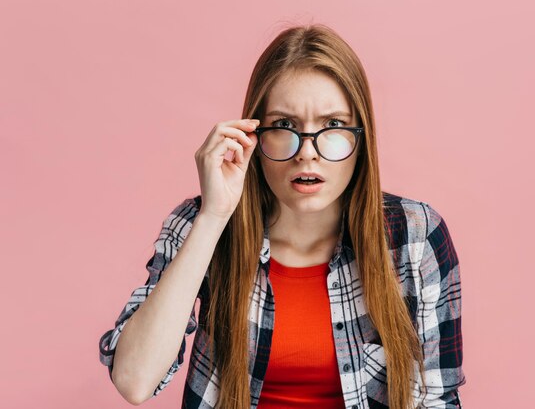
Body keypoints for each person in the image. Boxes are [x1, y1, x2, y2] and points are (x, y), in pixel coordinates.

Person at [99, 23, 466, 409]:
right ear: (252, 136)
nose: (307, 151)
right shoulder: (199, 223)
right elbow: (134, 380)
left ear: (362, 138)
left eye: (333, 125)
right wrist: (213, 217)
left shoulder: (416, 234)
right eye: (285, 125)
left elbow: (437, 397)